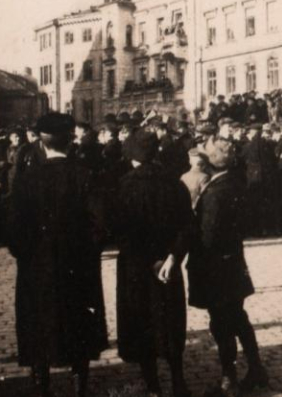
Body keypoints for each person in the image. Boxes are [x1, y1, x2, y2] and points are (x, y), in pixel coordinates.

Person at [8, 113, 108, 397]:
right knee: (79, 328)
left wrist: (29, 255)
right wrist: (84, 254)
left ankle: (42, 388)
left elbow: (14, 231)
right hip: (78, 270)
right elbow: (101, 226)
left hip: (36, 270)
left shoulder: (26, 180)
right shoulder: (85, 175)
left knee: (38, 327)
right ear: (69, 141)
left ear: (42, 141)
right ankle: (80, 388)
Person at [114, 129, 194, 397]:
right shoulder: (175, 184)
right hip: (167, 266)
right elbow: (187, 226)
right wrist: (173, 256)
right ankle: (179, 382)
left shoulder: (124, 185)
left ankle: (153, 387)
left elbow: (120, 231)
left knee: (142, 323)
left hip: (136, 267)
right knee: (170, 322)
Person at [188, 136, 268, 397]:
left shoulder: (214, 193)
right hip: (233, 262)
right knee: (238, 318)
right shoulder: (234, 183)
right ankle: (256, 369)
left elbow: (207, 237)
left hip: (215, 268)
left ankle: (228, 380)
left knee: (221, 324)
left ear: (211, 162)